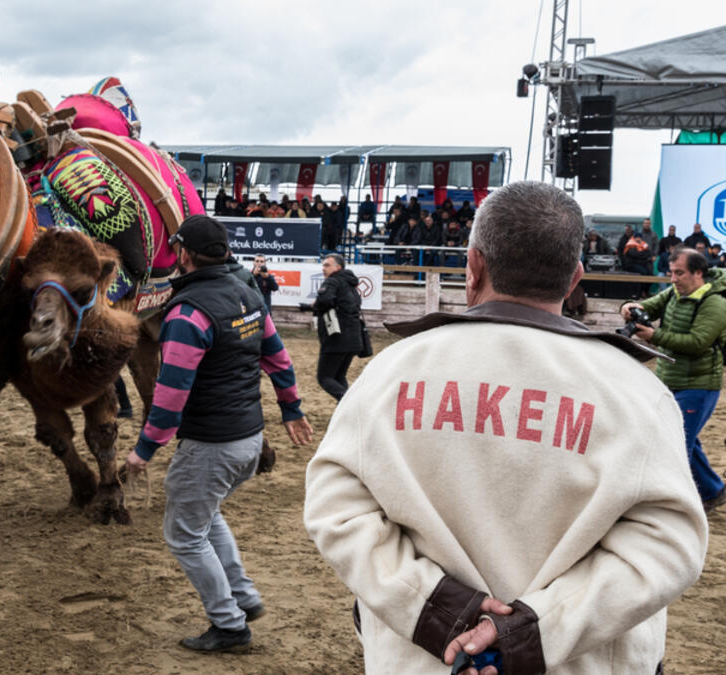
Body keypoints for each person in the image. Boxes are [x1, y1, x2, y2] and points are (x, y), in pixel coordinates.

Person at [304, 181, 708, 674]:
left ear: (472, 265)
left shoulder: (393, 373)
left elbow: (337, 511)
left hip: (426, 659)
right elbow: (668, 545)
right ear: (575, 277)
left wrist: (437, 609)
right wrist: (536, 629)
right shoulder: (638, 392)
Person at [122, 214, 313, 653]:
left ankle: (229, 625)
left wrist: (143, 451)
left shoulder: (189, 313)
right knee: (205, 516)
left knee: (184, 533)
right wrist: (291, 409)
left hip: (212, 443)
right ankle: (243, 598)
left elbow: (169, 397)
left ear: (184, 254)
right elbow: (279, 359)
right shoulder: (247, 293)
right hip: (247, 437)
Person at [622, 247, 726, 512]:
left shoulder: (715, 303)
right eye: (671, 273)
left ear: (698, 273)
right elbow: (649, 306)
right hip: (668, 380)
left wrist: (654, 337)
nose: (673, 279)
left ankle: (677, 502)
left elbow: (697, 342)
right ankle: (713, 490)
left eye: (679, 273)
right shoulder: (674, 293)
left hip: (699, 385)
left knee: (674, 443)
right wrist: (631, 307)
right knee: (682, 440)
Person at [301, 254, 362, 400]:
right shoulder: (350, 284)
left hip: (337, 337)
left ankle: (351, 403)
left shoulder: (332, 281)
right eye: (323, 265)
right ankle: (346, 411)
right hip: (354, 338)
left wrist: (315, 305)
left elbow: (325, 300)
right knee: (339, 377)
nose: (323, 268)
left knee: (325, 378)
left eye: (327, 265)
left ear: (338, 267)